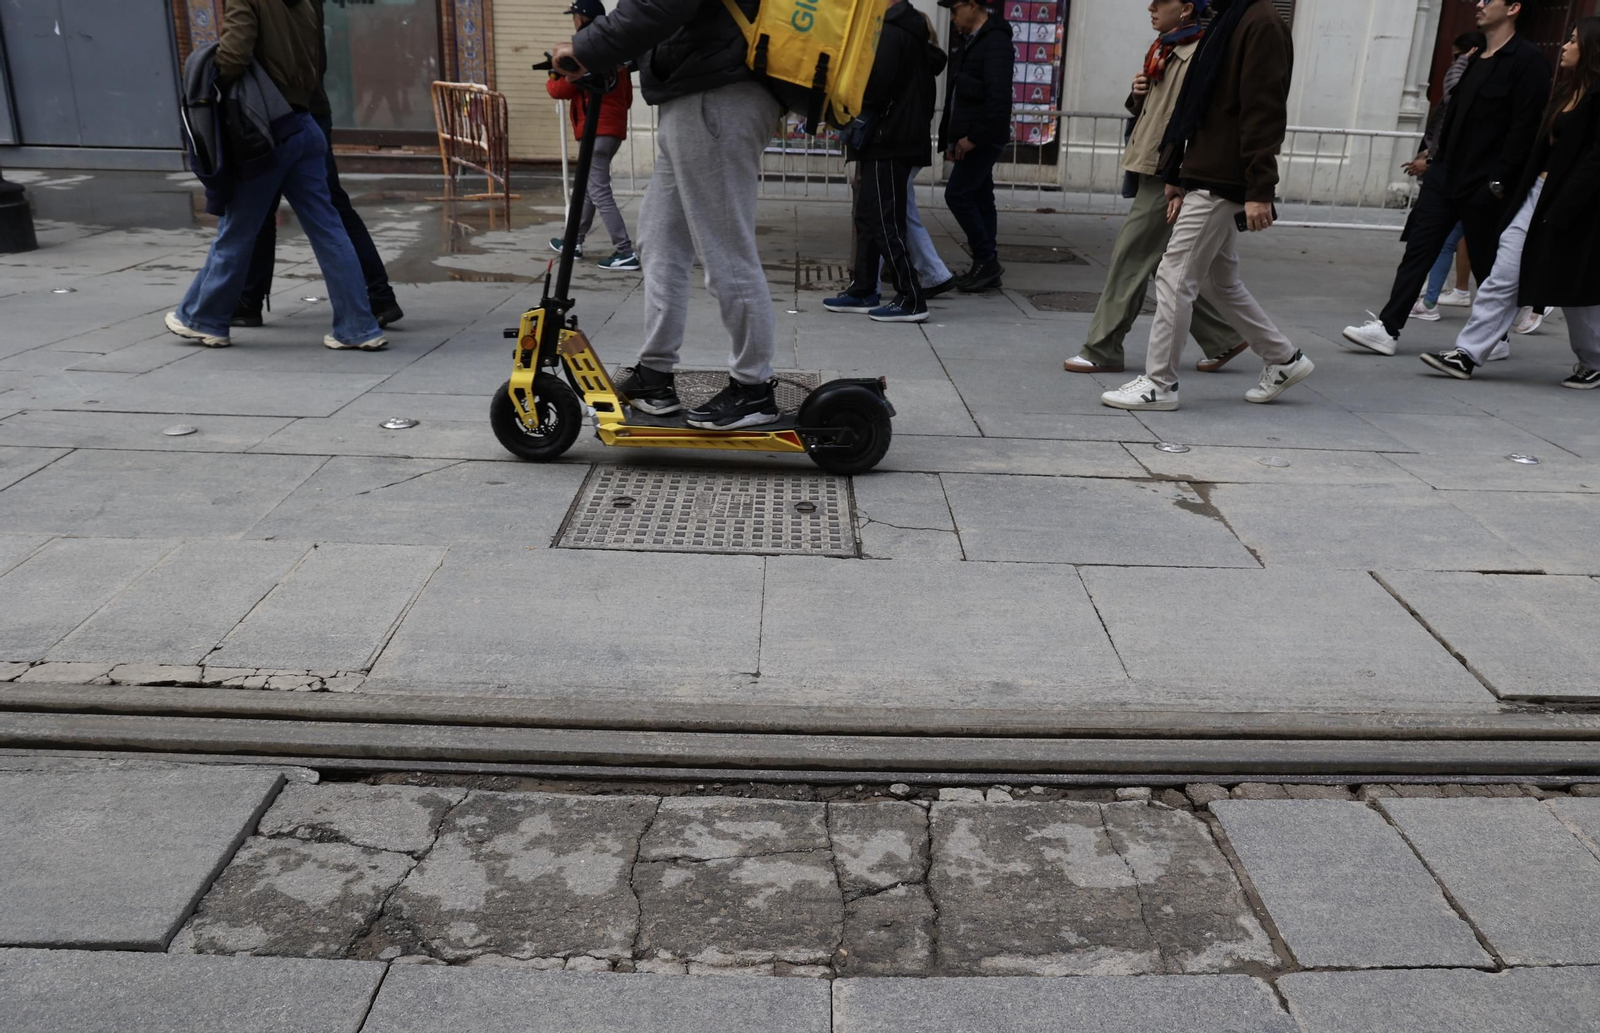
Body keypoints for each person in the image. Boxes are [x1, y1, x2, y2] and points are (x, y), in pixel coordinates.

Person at [556, 0, 784, 429]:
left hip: (717, 96)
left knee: (725, 250)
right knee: (659, 238)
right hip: (696, 93)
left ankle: (753, 388)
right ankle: (654, 376)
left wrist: (584, 46)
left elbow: (659, 5)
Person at [1101, 0, 1311, 412]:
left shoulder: (1260, 22)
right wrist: (1177, 171)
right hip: (1208, 170)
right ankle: (1284, 358)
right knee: (1219, 282)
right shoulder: (1228, 20)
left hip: (1224, 177)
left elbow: (1264, 111)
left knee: (1174, 275)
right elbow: (1197, 107)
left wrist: (1259, 188)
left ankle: (1159, 383)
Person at [166, 0, 386, 351]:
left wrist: (214, 73)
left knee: (237, 229)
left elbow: (234, 56)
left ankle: (203, 319)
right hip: (304, 124)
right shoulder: (306, 3)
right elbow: (317, 61)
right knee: (329, 229)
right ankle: (359, 327)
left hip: (267, 130)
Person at [1342, 0, 1550, 357]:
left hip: (1486, 182)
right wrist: (1432, 158)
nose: (1480, 4)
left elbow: (1524, 128)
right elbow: (1450, 118)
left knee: (1486, 264)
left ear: (1514, 7)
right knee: (1419, 250)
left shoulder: (1528, 62)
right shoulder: (1473, 59)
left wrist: (1499, 183)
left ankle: (1495, 337)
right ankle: (1388, 328)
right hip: (1446, 174)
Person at [1065, 0, 1250, 376]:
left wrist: (1177, 176)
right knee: (1160, 263)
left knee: (1130, 257)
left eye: (1161, 1)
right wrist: (1138, 95)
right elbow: (1157, 110)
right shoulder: (1165, 48)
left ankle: (1102, 348)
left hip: (1167, 171)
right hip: (1154, 165)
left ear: (1185, 9)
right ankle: (1223, 336)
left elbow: (1192, 119)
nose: (1151, 7)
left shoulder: (1197, 51)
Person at [1420, 18, 1600, 390]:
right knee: (1503, 274)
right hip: (1535, 195)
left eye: (1573, 41)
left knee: (1577, 290)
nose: (1564, 47)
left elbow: (1595, 161)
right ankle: (1467, 352)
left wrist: (1565, 207)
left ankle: (1594, 360)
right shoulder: (1564, 93)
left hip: (1577, 208)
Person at [823, 0, 948, 323]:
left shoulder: (891, 30)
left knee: (884, 219)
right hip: (888, 138)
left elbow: (876, 87)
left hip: (888, 139)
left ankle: (911, 296)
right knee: (868, 216)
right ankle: (864, 288)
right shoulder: (900, 28)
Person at [546, 0, 640, 272]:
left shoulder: (587, 49)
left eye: (575, 16)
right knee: (588, 189)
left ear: (584, 18)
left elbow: (561, 91)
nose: (573, 21)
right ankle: (573, 241)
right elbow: (627, 98)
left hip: (595, 129)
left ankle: (625, 251)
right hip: (612, 131)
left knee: (598, 190)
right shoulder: (614, 50)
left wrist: (554, 74)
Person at [1408, 31, 1487, 324]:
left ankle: (1431, 302)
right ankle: (1441, 297)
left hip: (1467, 179)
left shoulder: (1468, 83)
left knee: (1457, 243)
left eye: (1458, 56)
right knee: (1455, 241)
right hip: (1461, 176)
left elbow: (1452, 101)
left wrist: (1430, 161)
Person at [937, 0, 1013, 293]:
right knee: (981, 197)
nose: (953, 18)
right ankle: (986, 266)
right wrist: (951, 137)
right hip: (972, 136)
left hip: (982, 138)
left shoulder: (995, 42)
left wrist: (972, 138)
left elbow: (998, 100)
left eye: (954, 10)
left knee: (957, 194)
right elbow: (959, 94)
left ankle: (986, 259)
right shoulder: (973, 40)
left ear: (971, 5)